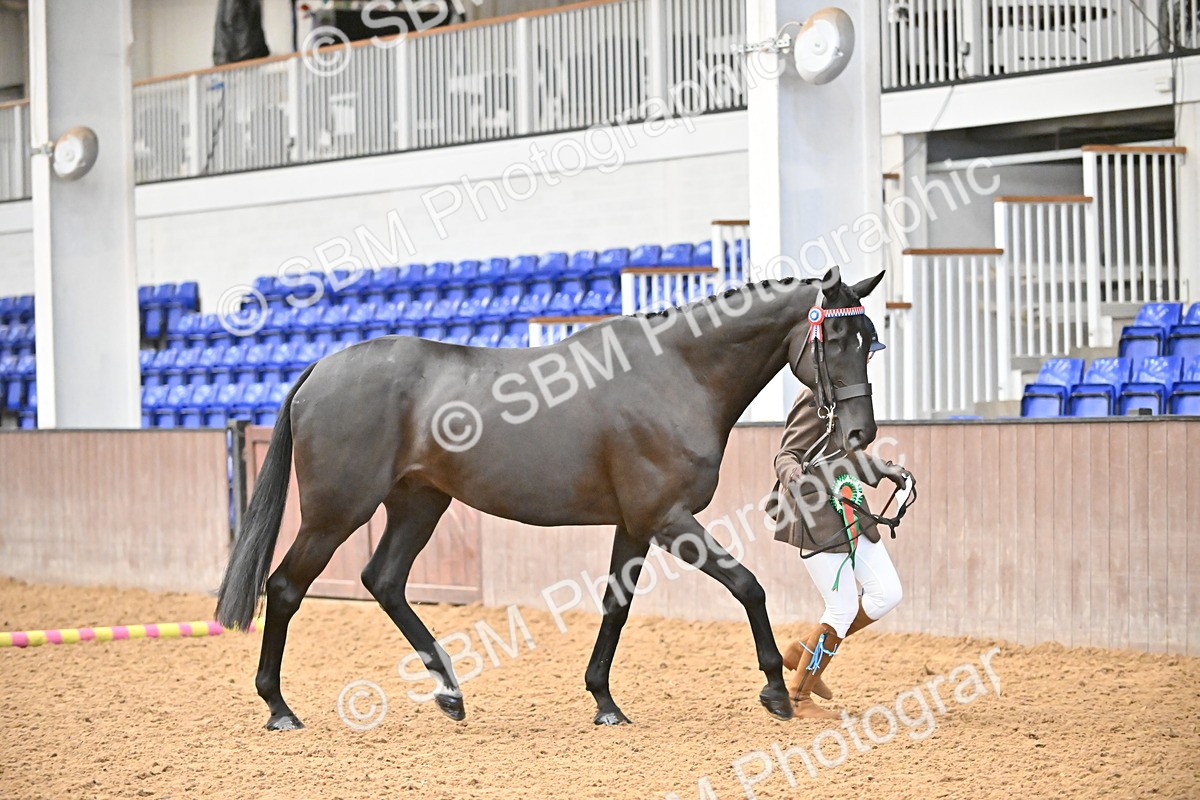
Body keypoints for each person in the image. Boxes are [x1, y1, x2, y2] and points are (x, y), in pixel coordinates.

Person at [770, 331, 910, 720]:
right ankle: (797, 695)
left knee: (887, 594)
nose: (867, 361)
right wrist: (793, 476)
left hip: (850, 507)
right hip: (815, 514)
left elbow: (849, 456)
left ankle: (804, 651)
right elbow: (786, 453)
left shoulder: (850, 400)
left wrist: (886, 469)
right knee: (843, 604)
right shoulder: (814, 397)